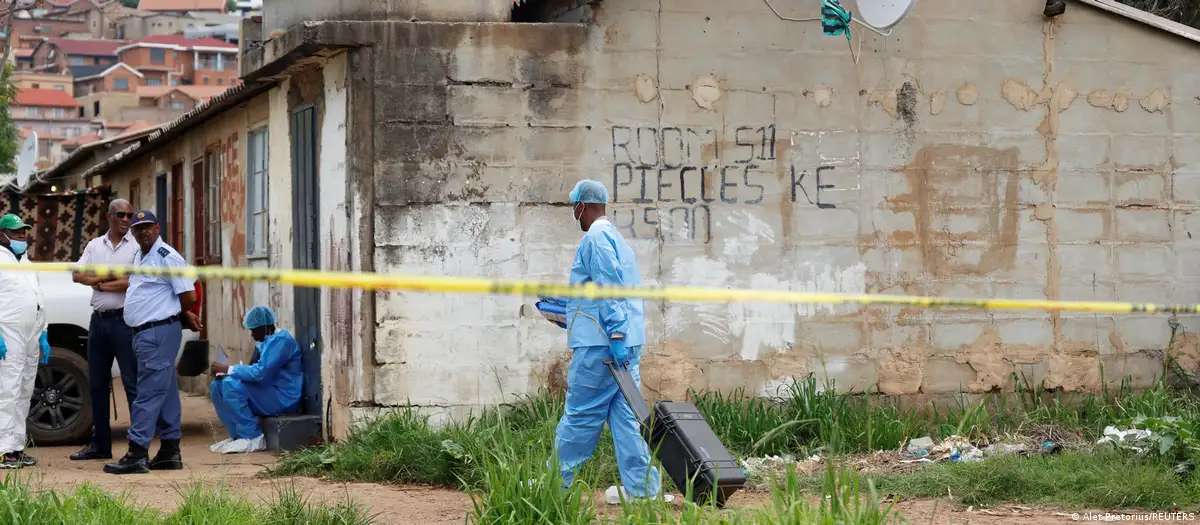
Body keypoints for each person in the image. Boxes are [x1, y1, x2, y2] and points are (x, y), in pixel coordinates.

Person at [550, 179, 663, 500]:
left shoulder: (595, 239)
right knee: (627, 419)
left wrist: (613, 333)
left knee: (581, 416)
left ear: (582, 206)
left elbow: (608, 289)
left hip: (602, 346)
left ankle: (555, 486)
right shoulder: (616, 239)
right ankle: (642, 492)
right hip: (624, 343)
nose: (574, 214)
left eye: (574, 207)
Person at [104, 210, 202, 475]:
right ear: (133, 233)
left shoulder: (166, 256)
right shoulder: (139, 255)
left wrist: (176, 315)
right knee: (166, 391)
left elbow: (189, 295)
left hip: (157, 332)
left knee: (146, 393)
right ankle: (170, 451)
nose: (143, 232)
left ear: (157, 228)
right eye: (138, 229)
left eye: (148, 227)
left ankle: (136, 453)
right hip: (147, 333)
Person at [69, 199, 140, 461]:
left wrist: (98, 282)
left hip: (124, 322)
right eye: (121, 214)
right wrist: (109, 278)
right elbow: (77, 275)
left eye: (129, 215)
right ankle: (100, 445)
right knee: (97, 384)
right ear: (109, 216)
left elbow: (131, 282)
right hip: (98, 322)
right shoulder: (94, 245)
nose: (126, 219)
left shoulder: (135, 247)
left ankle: (137, 446)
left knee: (132, 384)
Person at [207, 305, 303, 454]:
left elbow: (261, 373)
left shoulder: (281, 341)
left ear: (266, 327)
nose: (252, 334)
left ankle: (253, 437)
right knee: (216, 385)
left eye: (254, 330)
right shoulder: (265, 342)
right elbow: (253, 367)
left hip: (284, 397)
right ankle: (237, 435)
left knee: (230, 384)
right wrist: (229, 373)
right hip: (269, 392)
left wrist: (229, 369)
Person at [0, 214, 49, 469]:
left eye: (24, 232)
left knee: (23, 392)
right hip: (8, 335)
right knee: (6, 391)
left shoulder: (27, 263)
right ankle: (2, 450)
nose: (22, 237)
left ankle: (16, 447)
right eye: (16, 232)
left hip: (30, 335)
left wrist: (44, 332)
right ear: (2, 235)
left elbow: (38, 297)